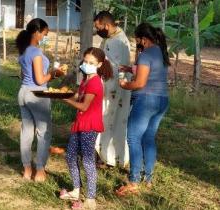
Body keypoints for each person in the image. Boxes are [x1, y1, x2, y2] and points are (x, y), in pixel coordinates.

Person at [116, 23, 170, 195]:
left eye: (137, 40)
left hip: (146, 99)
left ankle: (133, 181)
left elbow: (139, 83)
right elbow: (151, 72)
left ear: (143, 39)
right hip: (162, 100)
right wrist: (130, 68)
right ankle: (148, 178)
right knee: (148, 138)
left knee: (133, 138)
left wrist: (125, 84)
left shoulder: (146, 54)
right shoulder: (159, 51)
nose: (136, 43)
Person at [59, 47, 113, 209]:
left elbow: (83, 106)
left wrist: (65, 99)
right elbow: (78, 95)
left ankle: (90, 199)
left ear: (99, 64)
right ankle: (76, 190)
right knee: (70, 155)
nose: (87, 64)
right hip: (80, 123)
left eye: (92, 63)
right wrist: (64, 93)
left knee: (88, 161)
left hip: (89, 126)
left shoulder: (95, 82)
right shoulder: (85, 79)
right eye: (85, 61)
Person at [16, 18, 65, 182]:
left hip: (23, 92)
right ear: (37, 32)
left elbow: (23, 75)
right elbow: (39, 79)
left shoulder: (24, 51)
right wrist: (55, 74)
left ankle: (27, 169)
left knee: (26, 131)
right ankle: (40, 171)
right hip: (37, 94)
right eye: (45, 33)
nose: (46, 36)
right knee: (44, 132)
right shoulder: (36, 53)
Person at [93, 11, 131, 167]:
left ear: (106, 25)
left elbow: (112, 68)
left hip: (111, 89)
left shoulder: (116, 42)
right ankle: (107, 156)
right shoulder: (118, 37)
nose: (97, 30)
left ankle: (107, 157)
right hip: (117, 88)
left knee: (107, 120)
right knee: (113, 122)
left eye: (98, 27)